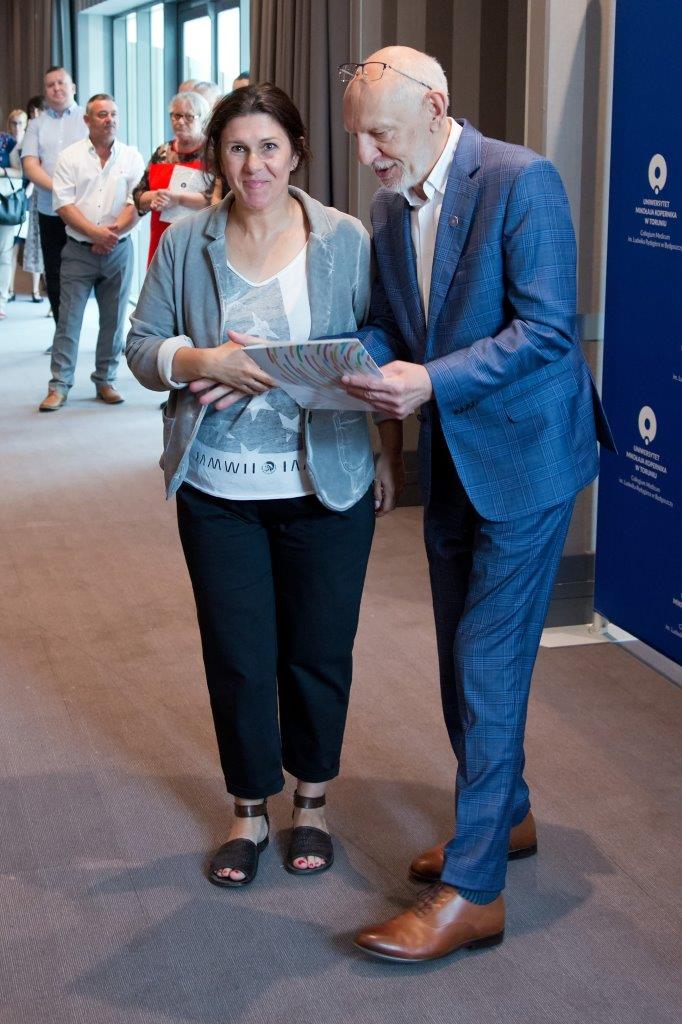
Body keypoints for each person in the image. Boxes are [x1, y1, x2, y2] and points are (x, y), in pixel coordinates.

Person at [336, 47, 615, 962]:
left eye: (380, 134)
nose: (369, 155)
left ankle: (475, 890)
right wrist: (342, 359)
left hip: (528, 455)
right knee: (458, 653)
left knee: (486, 661)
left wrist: (428, 382)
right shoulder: (389, 209)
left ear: (436, 107)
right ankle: (508, 814)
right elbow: (395, 324)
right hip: (455, 454)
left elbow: (547, 331)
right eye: (359, 137)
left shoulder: (520, 180)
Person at [126, 83, 404, 887]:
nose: (255, 164)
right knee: (240, 656)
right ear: (217, 156)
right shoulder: (187, 242)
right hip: (218, 490)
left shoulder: (345, 239)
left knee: (319, 651)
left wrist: (387, 451)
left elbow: (377, 347)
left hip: (327, 482)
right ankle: (249, 807)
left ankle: (311, 802)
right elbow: (142, 347)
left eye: (270, 147)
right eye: (239, 147)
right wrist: (200, 360)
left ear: (297, 154)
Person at [38, 94, 144, 412]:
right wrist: (95, 234)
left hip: (119, 250)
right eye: (101, 114)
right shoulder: (70, 157)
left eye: (113, 114)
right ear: (87, 120)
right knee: (69, 321)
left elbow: (137, 203)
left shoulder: (132, 157)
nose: (109, 119)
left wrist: (109, 235)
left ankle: (106, 380)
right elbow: (64, 205)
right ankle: (59, 386)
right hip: (78, 251)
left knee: (114, 321)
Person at [21, 67, 88, 332]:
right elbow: (30, 165)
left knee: (84, 271)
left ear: (73, 87)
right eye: (50, 85)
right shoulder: (36, 125)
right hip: (49, 210)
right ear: (45, 91)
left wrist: (71, 193)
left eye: (61, 82)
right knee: (55, 272)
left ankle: (81, 329)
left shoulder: (87, 118)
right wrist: (61, 191)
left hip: (83, 209)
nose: (56, 88)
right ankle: (63, 332)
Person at [133, 91, 213, 266]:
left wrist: (177, 198)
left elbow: (217, 199)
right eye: (176, 116)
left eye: (188, 117)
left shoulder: (213, 153)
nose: (180, 121)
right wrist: (156, 196)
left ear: (203, 119)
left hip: (198, 239)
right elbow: (138, 195)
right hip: (162, 238)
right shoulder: (163, 152)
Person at [5, 109, 43, 304]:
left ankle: (35, 290)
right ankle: (10, 288)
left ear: (26, 124)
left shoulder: (32, 143)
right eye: (14, 123)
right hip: (13, 198)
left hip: (31, 197)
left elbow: (38, 169)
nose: (17, 127)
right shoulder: (6, 145)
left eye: (20, 123)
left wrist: (29, 190)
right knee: (12, 246)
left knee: (34, 245)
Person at [21, 97, 46, 302]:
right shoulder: (29, 135)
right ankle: (35, 289)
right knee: (36, 242)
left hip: (56, 196)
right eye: (31, 112)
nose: (34, 115)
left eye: (38, 111)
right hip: (35, 196)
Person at [0, 125, 22, 319]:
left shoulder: (7, 142)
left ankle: (1, 301)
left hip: (3, 205)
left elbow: (19, 172)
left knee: (4, 255)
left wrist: (1, 170)